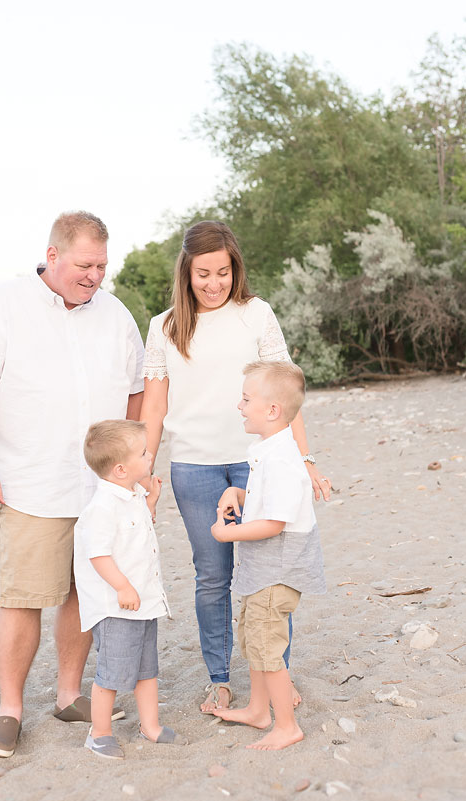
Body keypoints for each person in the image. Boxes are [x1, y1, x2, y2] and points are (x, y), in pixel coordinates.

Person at [0, 211, 144, 759]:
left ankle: (69, 694)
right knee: (24, 598)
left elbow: (136, 393)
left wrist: (138, 466)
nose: (94, 275)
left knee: (84, 593)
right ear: (52, 256)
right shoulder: (1, 305)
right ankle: (10, 710)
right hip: (33, 483)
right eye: (84, 264)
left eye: (101, 265)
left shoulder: (116, 315)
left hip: (101, 488)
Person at [140, 220, 331, 713]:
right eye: (203, 273)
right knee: (212, 574)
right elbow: (154, 409)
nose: (213, 283)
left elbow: (286, 396)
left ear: (234, 267)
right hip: (193, 467)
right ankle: (220, 678)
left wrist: (304, 459)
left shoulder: (257, 314)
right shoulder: (165, 327)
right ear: (187, 270)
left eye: (222, 272)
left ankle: (274, 679)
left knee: (268, 572)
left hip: (258, 463)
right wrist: (144, 472)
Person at [209, 361, 325, 750]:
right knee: (255, 640)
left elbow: (274, 522)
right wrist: (237, 495)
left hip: (277, 571)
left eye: (245, 399)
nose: (239, 406)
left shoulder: (281, 460)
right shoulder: (269, 450)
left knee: (267, 646)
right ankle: (259, 711)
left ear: (272, 410)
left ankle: (287, 725)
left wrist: (227, 534)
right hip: (262, 571)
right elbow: (264, 503)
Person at [74, 420, 176, 759]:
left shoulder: (132, 495)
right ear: (120, 468)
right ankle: (99, 733)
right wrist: (122, 586)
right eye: (143, 452)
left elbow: (135, 535)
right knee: (112, 674)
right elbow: (98, 554)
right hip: (118, 607)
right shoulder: (102, 507)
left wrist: (151, 503)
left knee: (147, 670)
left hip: (143, 602)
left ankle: (151, 725)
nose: (150, 456)